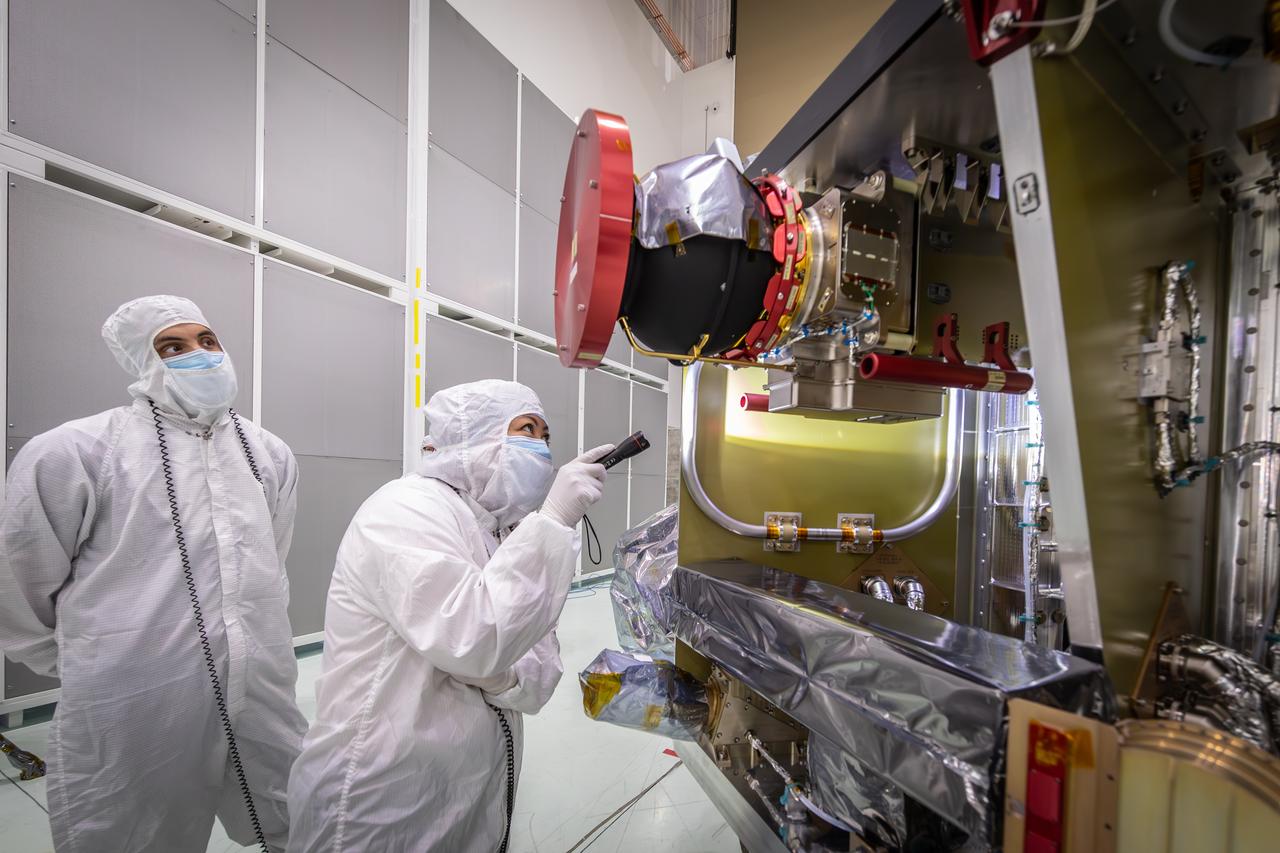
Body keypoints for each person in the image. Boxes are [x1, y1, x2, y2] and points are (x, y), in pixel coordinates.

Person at [0, 295, 307, 852]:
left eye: (207, 341)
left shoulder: (268, 453)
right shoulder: (76, 452)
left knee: (291, 809)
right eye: (173, 347)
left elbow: (271, 563)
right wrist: (101, 661)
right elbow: (20, 586)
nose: (200, 356)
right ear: (144, 362)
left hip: (260, 678)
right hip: (138, 695)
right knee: (133, 829)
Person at [286, 380, 610, 852]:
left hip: (466, 790)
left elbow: (536, 672)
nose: (541, 447)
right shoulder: (405, 510)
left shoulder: (495, 527)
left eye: (545, 435)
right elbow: (479, 640)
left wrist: (498, 674)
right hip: (381, 800)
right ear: (475, 436)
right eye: (526, 430)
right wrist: (555, 519)